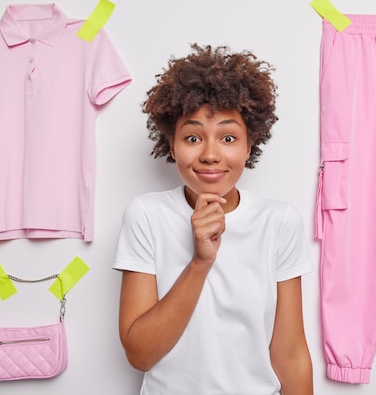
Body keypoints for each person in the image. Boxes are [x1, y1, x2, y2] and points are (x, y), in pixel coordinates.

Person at [112, 44, 313, 395]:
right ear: (172, 146)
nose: (209, 154)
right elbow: (139, 354)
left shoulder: (279, 221)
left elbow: (291, 352)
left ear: (250, 146)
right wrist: (200, 262)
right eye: (192, 137)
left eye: (228, 137)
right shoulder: (146, 215)